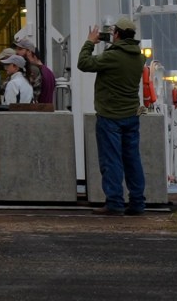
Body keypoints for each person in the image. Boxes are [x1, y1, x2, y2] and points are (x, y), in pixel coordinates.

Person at [77, 16, 148, 215]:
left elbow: (83, 63)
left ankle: (115, 202)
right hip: (132, 115)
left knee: (112, 160)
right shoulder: (139, 57)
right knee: (132, 159)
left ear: (116, 34)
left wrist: (90, 42)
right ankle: (137, 203)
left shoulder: (113, 56)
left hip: (110, 117)